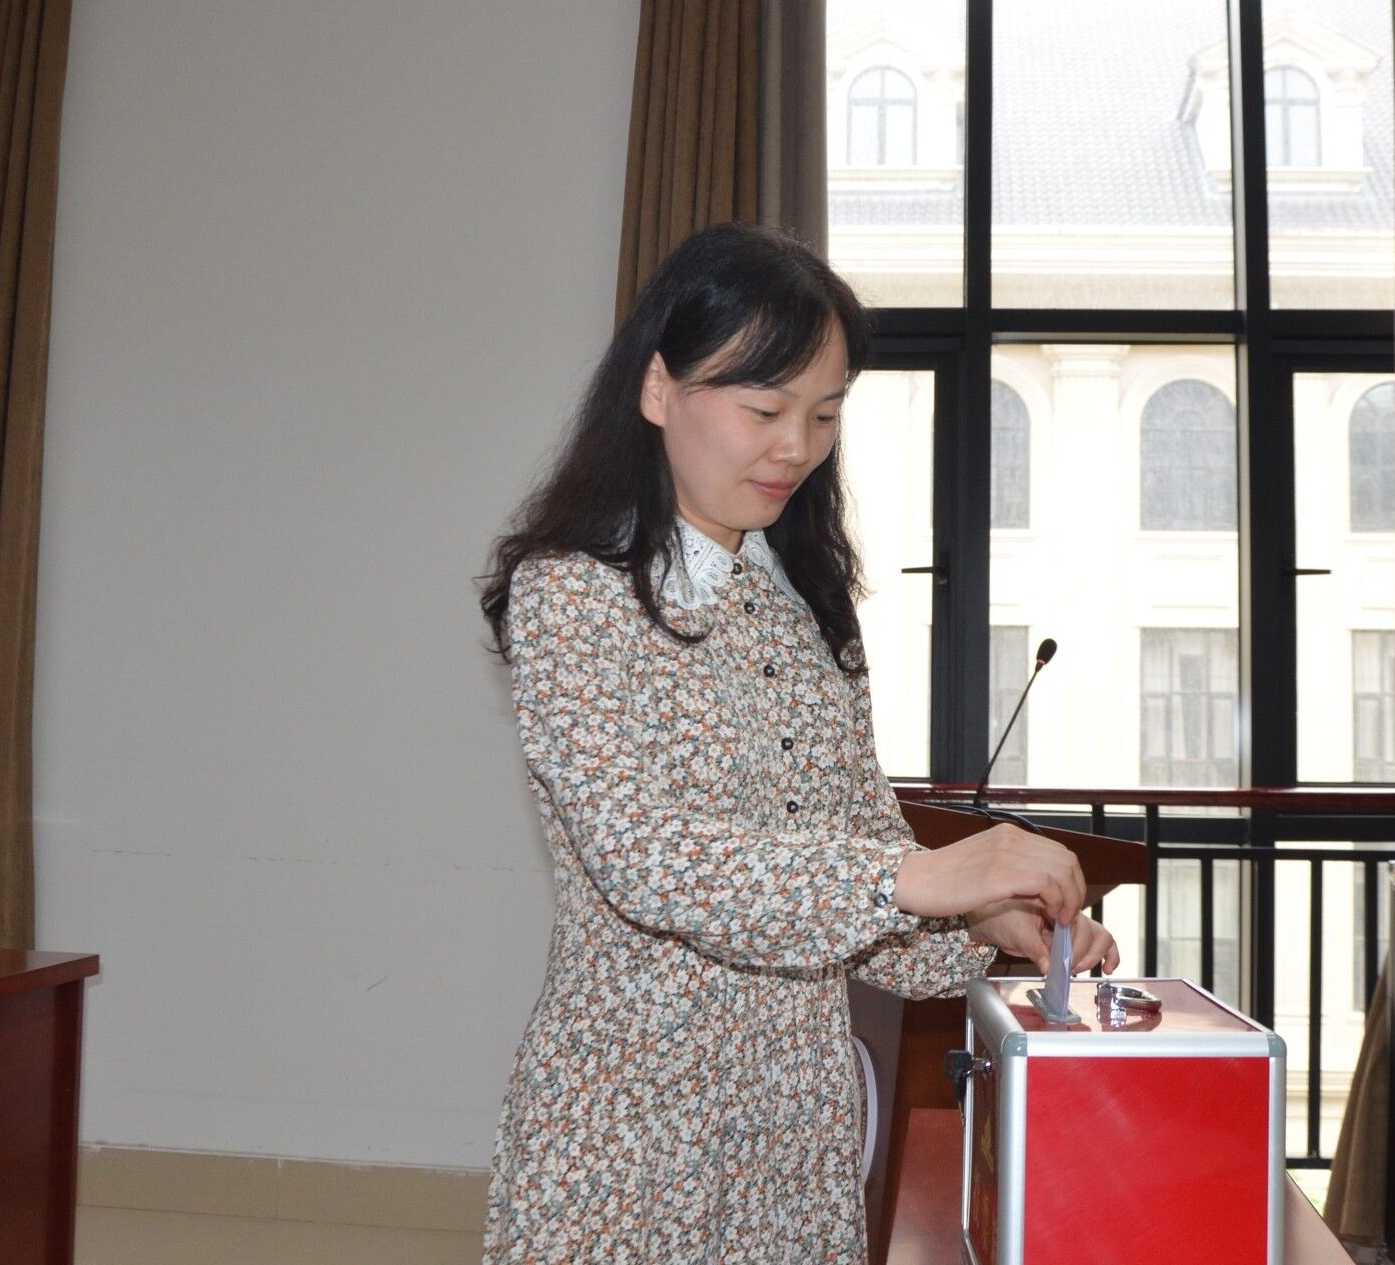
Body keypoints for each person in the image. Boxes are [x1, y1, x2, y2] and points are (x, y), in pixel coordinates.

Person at [477, 223, 1118, 1263]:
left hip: (798, 1132)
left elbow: (858, 877)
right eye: (765, 409)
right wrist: (928, 874)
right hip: (629, 1125)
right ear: (657, 387)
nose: (796, 447)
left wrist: (983, 924)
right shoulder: (572, 595)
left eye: (825, 414)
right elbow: (649, 858)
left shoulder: (807, 605)